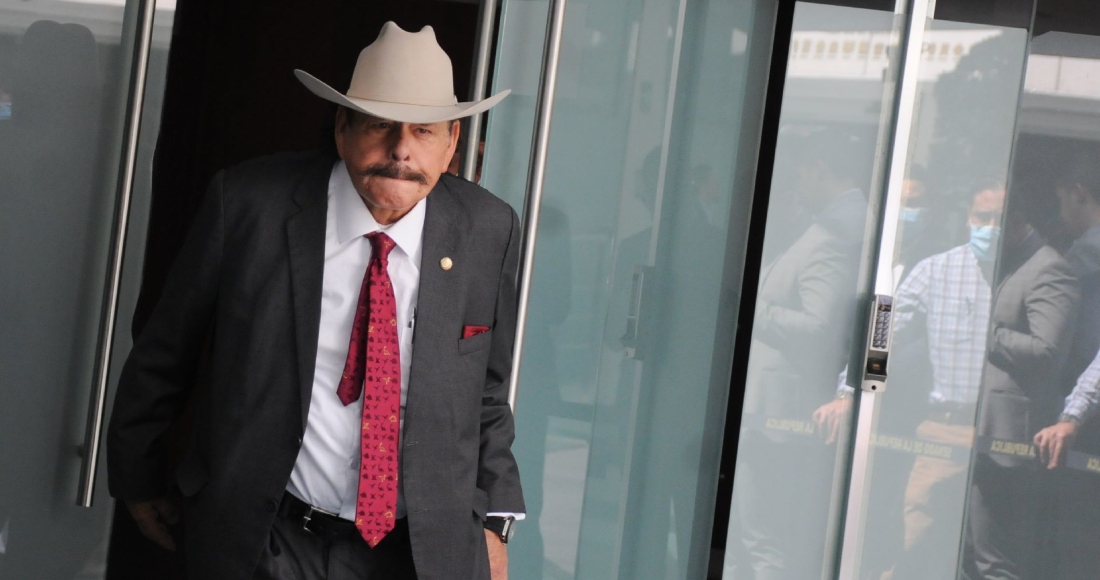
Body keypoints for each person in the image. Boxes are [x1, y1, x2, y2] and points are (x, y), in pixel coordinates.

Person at [107, 22, 524, 580]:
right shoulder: (250, 205)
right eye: (380, 124)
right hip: (267, 538)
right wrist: (139, 477)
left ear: (451, 144)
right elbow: (165, 352)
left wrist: (494, 520)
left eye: (424, 131)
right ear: (342, 128)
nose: (401, 150)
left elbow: (488, 389)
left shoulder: (487, 228)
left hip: (421, 550)